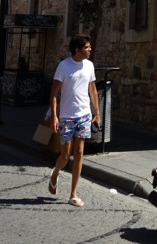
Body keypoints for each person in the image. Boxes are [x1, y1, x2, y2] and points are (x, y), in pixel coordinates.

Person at [48, 35, 100, 208]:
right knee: (65, 155)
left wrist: (97, 113)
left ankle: (73, 194)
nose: (90, 49)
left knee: (79, 153)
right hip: (67, 117)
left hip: (84, 115)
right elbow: (54, 94)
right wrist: (54, 116)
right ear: (77, 50)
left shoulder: (90, 66)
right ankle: (55, 174)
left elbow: (92, 90)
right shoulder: (64, 66)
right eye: (87, 47)